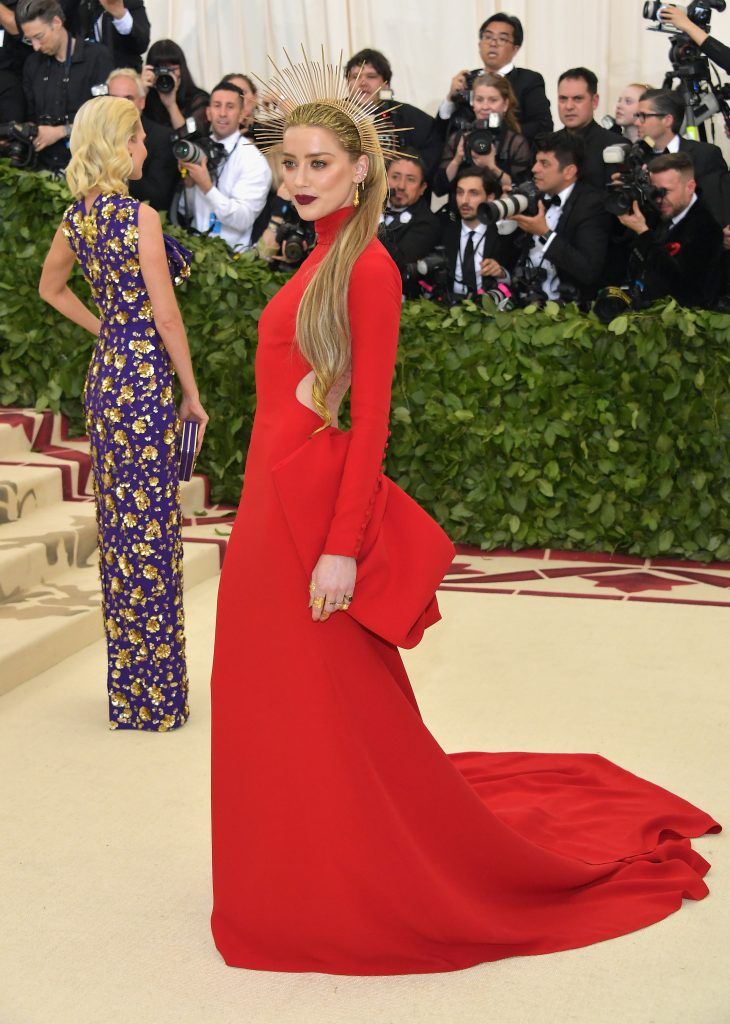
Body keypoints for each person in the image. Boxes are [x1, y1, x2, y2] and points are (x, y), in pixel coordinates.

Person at [208, 49, 717, 977]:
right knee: (271, 699)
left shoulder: (366, 269)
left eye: (320, 163)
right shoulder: (316, 255)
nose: (301, 179)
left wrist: (341, 549)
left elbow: (370, 429)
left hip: (311, 522)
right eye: (290, 164)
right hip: (263, 509)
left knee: (328, 708)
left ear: (361, 167)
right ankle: (280, 865)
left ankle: (329, 874)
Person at [38, 95, 207, 730]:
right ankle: (158, 698)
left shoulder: (76, 220)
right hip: (142, 384)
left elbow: (50, 288)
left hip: (107, 379)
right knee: (153, 534)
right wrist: (191, 393)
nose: (145, 148)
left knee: (122, 536)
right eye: (137, 138)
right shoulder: (141, 217)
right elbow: (166, 316)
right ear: (117, 146)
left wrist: (105, 327)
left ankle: (132, 696)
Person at [511, 131, 612, 305]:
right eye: (536, 161)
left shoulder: (593, 205)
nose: (534, 169)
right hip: (525, 306)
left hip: (570, 314)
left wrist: (544, 233)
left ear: (569, 171)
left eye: (544, 163)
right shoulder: (536, 197)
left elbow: (588, 270)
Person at [618, 151, 724, 308]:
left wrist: (644, 233)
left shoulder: (706, 227)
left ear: (690, 187)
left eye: (665, 191)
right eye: (654, 191)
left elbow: (683, 286)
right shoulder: (657, 214)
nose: (659, 199)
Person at [17, 0, 112, 170]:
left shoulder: (97, 58)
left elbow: (105, 119)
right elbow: (31, 116)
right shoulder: (33, 64)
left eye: (39, 37)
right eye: (29, 40)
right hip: (42, 167)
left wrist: (61, 131)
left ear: (56, 23)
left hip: (88, 164)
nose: (36, 47)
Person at [177, 80, 271, 252]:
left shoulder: (254, 160)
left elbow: (243, 219)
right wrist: (189, 186)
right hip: (195, 253)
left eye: (230, 107)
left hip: (234, 262)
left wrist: (207, 187)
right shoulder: (198, 150)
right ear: (208, 112)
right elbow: (186, 212)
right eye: (217, 106)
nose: (222, 113)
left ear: (242, 113)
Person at [439, 12, 552, 144]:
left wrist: (494, 129)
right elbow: (440, 133)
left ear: (515, 48)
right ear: (479, 44)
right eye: (487, 37)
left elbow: (543, 127)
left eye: (502, 39)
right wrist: (449, 100)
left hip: (509, 158)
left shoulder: (529, 80)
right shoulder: (467, 79)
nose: (493, 43)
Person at [345, 47, 441, 182]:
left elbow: (432, 158)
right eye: (355, 77)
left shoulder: (411, 119)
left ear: (386, 84)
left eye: (371, 77)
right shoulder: (332, 117)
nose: (363, 83)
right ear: (347, 83)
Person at [434, 72, 532, 196]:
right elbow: (439, 189)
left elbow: (521, 190)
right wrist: (456, 160)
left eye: (493, 100)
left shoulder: (515, 143)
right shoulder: (458, 138)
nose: (485, 107)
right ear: (472, 103)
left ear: (505, 104)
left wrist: (492, 167)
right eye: (479, 100)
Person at [106, 66, 178, 212]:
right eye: (113, 99)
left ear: (142, 102)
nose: (120, 106)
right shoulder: (96, 135)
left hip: (143, 224)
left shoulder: (161, 137)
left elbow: (158, 198)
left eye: (128, 98)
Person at [440, 165, 516, 299]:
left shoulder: (503, 235)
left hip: (491, 312)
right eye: (460, 192)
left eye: (473, 193)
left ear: (490, 198)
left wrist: (501, 273)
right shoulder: (443, 231)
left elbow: (515, 282)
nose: (464, 200)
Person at [379, 151, 442, 297]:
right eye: (395, 177)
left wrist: (377, 219)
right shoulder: (363, 207)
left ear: (422, 188)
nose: (401, 186)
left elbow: (396, 265)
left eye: (410, 180)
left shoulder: (428, 223)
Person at [634, 88, 727, 188]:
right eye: (637, 115)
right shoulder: (638, 158)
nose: (637, 123)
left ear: (667, 120)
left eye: (643, 116)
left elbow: (716, 201)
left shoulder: (704, 156)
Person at [555, 67, 619, 190]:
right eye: (563, 99)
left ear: (594, 101)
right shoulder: (547, 145)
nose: (568, 106)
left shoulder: (614, 146)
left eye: (577, 99)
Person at [142, 38, 209, 137]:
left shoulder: (198, 99)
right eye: (160, 70)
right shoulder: (146, 98)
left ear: (182, 70)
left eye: (172, 69)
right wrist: (140, 92)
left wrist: (171, 105)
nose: (166, 75)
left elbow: (191, 140)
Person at [65, 0, 149, 72]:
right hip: (86, 73)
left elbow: (142, 43)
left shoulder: (129, 3)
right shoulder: (80, 4)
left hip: (121, 74)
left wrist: (121, 17)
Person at [220, 71, 258, 138]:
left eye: (243, 92)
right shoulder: (214, 141)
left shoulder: (271, 134)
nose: (238, 99)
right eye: (230, 94)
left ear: (255, 98)